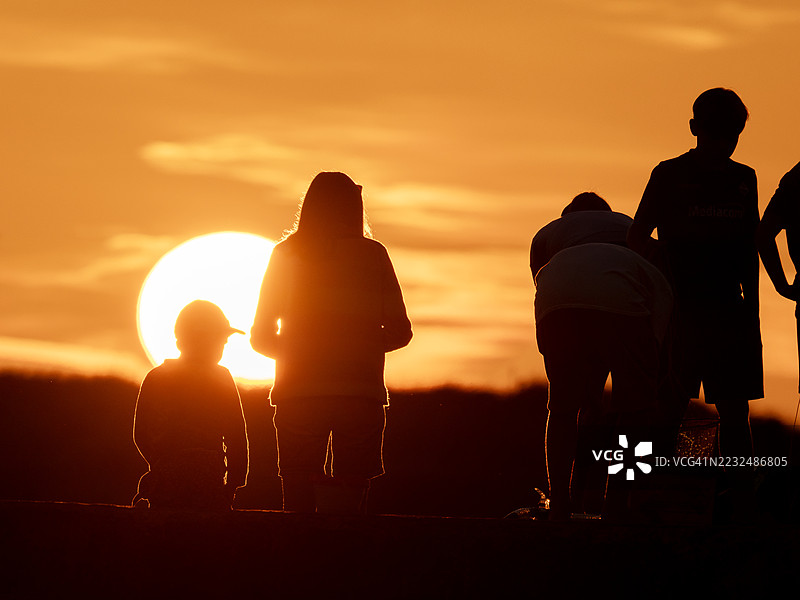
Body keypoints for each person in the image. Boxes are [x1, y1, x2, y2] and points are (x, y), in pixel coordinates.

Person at [251, 172, 412, 514]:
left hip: (298, 394)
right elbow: (401, 330)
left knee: (297, 500)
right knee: (352, 505)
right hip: (359, 395)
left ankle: (297, 562)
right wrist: (357, 346)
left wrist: (301, 352)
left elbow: (261, 336)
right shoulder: (373, 255)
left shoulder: (285, 254)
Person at [627, 88, 762, 475]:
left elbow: (749, 249)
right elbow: (637, 238)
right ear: (694, 128)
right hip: (678, 310)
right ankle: (644, 494)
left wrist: (750, 315)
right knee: (666, 405)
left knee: (735, 411)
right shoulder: (668, 174)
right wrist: (667, 266)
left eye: (731, 135)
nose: (724, 144)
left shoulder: (745, 178)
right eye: (715, 132)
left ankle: (738, 502)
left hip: (728, 312)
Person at [532, 195, 673, 520]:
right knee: (638, 408)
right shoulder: (631, 228)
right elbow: (658, 322)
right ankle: (618, 502)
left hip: (558, 298)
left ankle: (560, 502)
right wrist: (652, 376)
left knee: (564, 408)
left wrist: (578, 378)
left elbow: (545, 288)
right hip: (622, 295)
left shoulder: (548, 232)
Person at [132, 300, 249, 510]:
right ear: (202, 338)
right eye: (221, 340)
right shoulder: (221, 377)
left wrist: (160, 465)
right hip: (209, 483)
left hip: (164, 481)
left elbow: (140, 434)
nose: (223, 346)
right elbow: (236, 436)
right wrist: (232, 484)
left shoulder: (156, 377)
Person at [758, 162, 800, 389]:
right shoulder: (795, 179)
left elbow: (764, 234)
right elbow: (763, 235)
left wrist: (782, 286)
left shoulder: (796, 178)